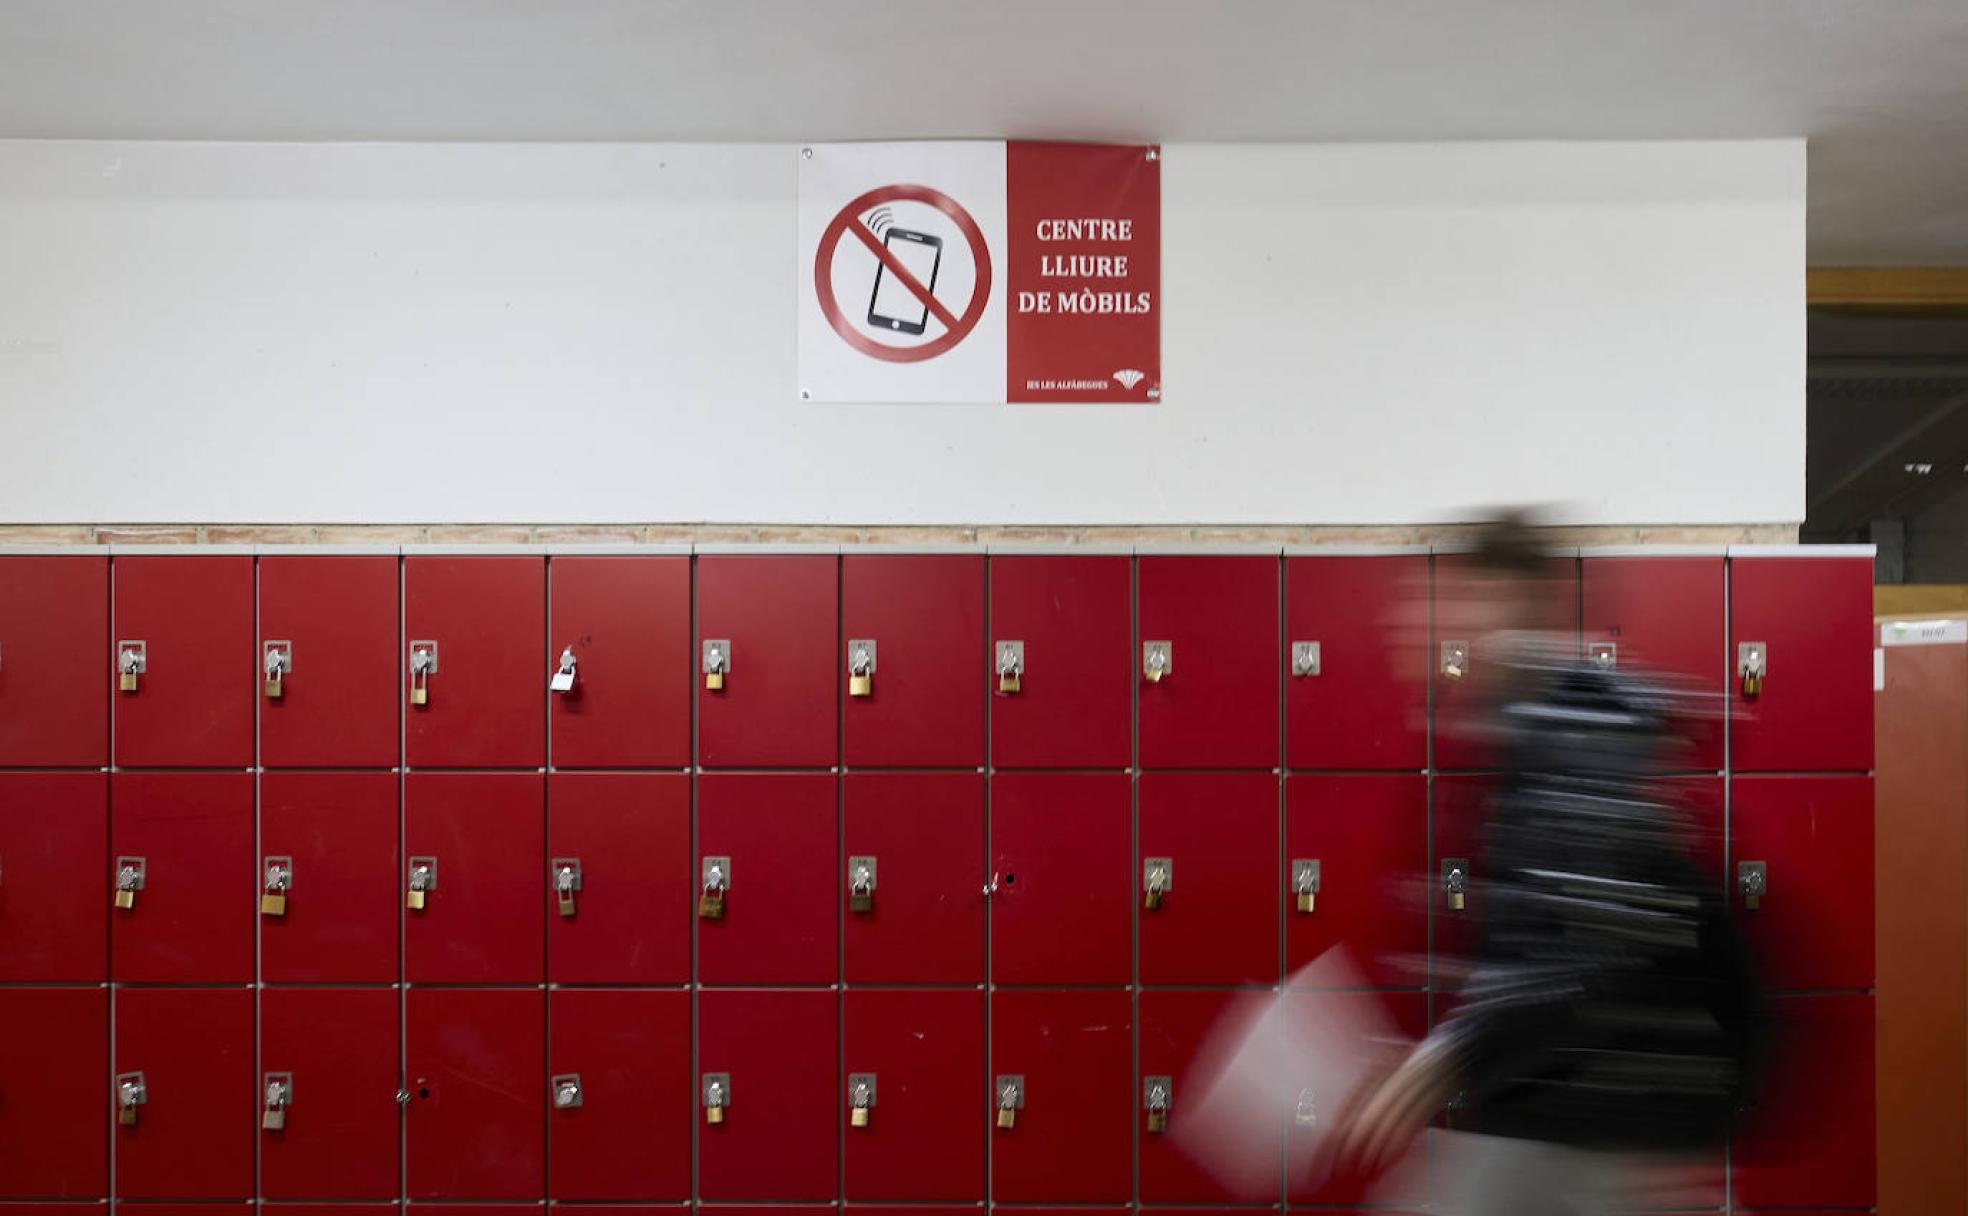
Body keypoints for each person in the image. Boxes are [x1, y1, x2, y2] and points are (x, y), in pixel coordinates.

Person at [1327, 512, 1763, 1215]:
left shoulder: (1569, 740)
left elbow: (1586, 946)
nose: (1412, 624)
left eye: (1437, 601)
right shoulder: (1524, 735)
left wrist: (1450, 1055)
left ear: (1502, 606)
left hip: (1591, 1126)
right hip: (1564, 1119)